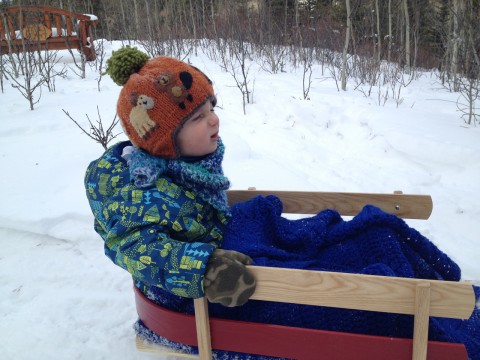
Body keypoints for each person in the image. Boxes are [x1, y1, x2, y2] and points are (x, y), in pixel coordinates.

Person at [85, 47, 479, 359]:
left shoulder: (184, 165)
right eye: (197, 118)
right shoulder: (135, 191)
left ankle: (442, 294)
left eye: (212, 109)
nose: (214, 122)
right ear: (162, 138)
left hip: (223, 243)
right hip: (196, 290)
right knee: (358, 284)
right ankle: (424, 314)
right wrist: (203, 269)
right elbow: (137, 248)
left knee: (374, 230)